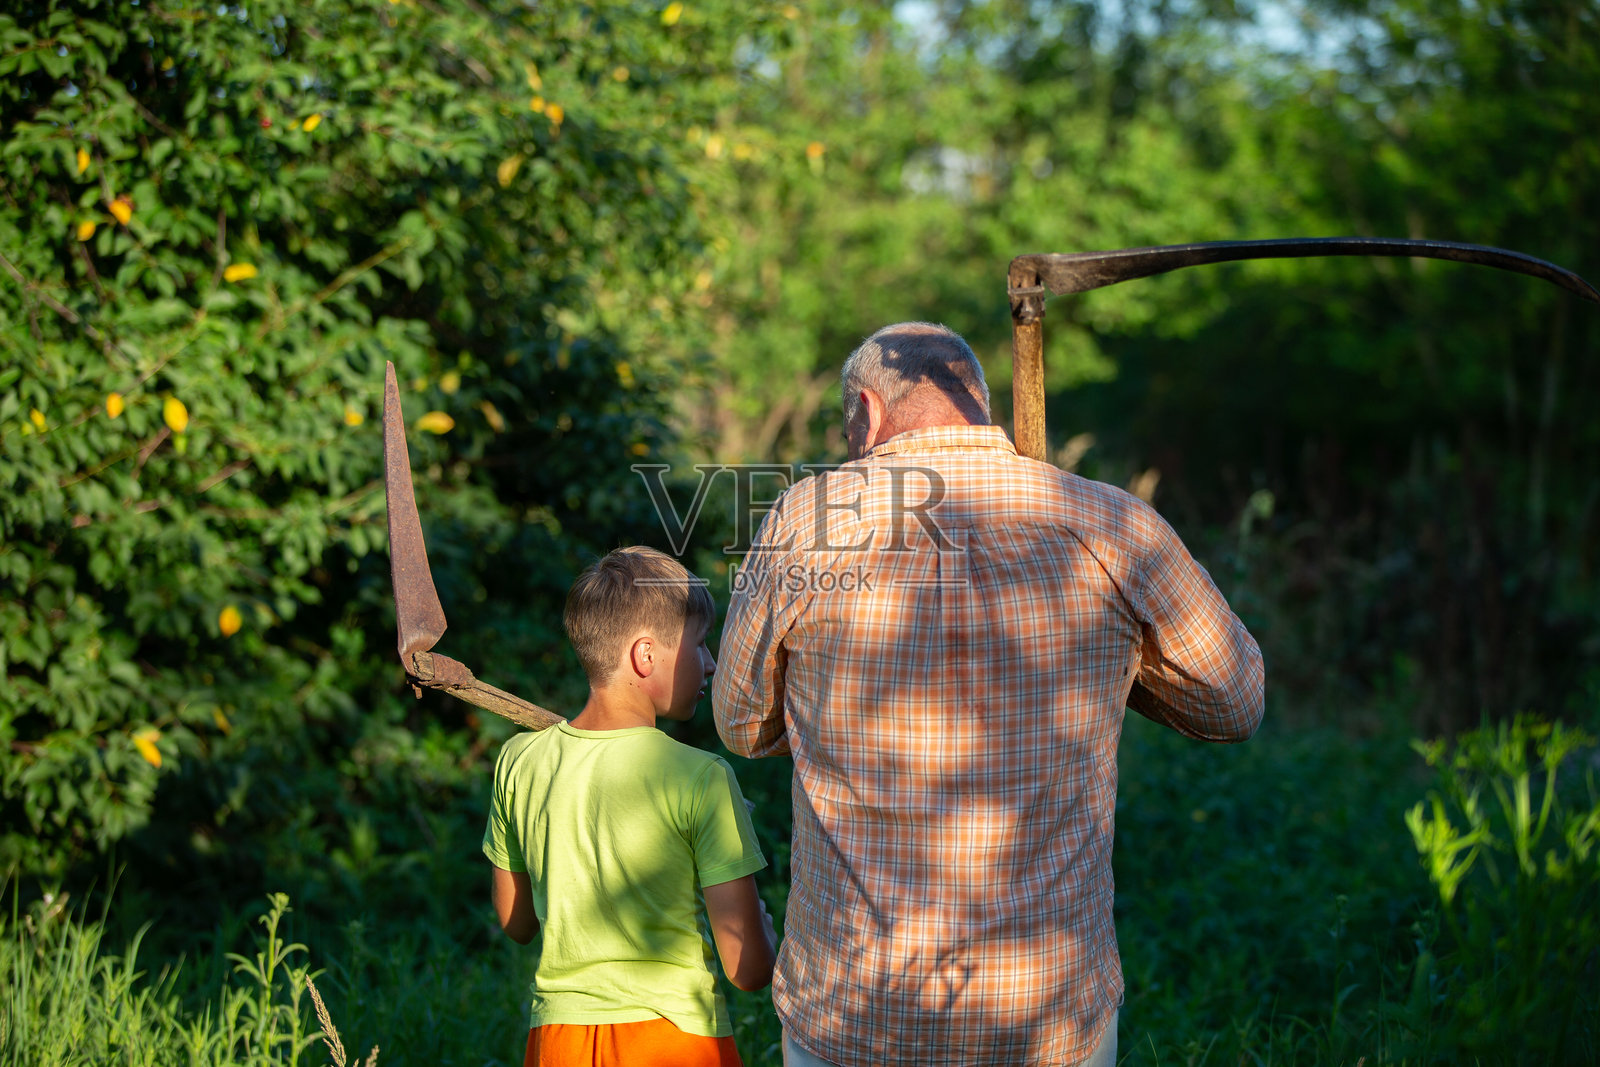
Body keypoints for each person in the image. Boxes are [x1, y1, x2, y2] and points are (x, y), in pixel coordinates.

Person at [713, 322, 1265, 1067]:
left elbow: (740, 724)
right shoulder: (1112, 523)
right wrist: (1116, 667)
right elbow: (1234, 702)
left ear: (868, 415)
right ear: (979, 403)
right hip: (1047, 1016)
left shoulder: (804, 521)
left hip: (853, 1013)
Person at [484, 545, 777, 1067]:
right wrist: (766, 931)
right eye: (701, 644)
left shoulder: (518, 761)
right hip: (674, 1043)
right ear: (645, 655)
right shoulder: (703, 777)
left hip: (558, 1044)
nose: (710, 663)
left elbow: (517, 922)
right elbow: (747, 969)